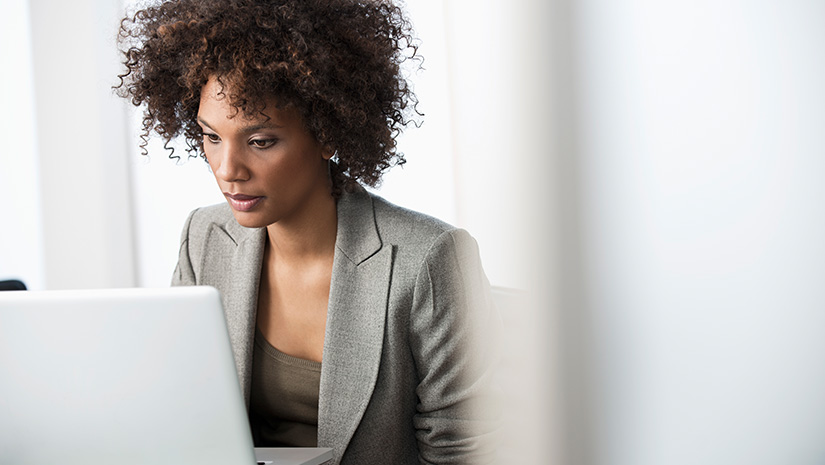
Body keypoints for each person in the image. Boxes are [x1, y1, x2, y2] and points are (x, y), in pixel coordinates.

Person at [116, 0, 498, 463]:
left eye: (260, 141)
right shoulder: (205, 237)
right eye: (211, 137)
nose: (227, 169)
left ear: (327, 132)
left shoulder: (428, 259)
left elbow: (463, 454)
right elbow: (180, 414)